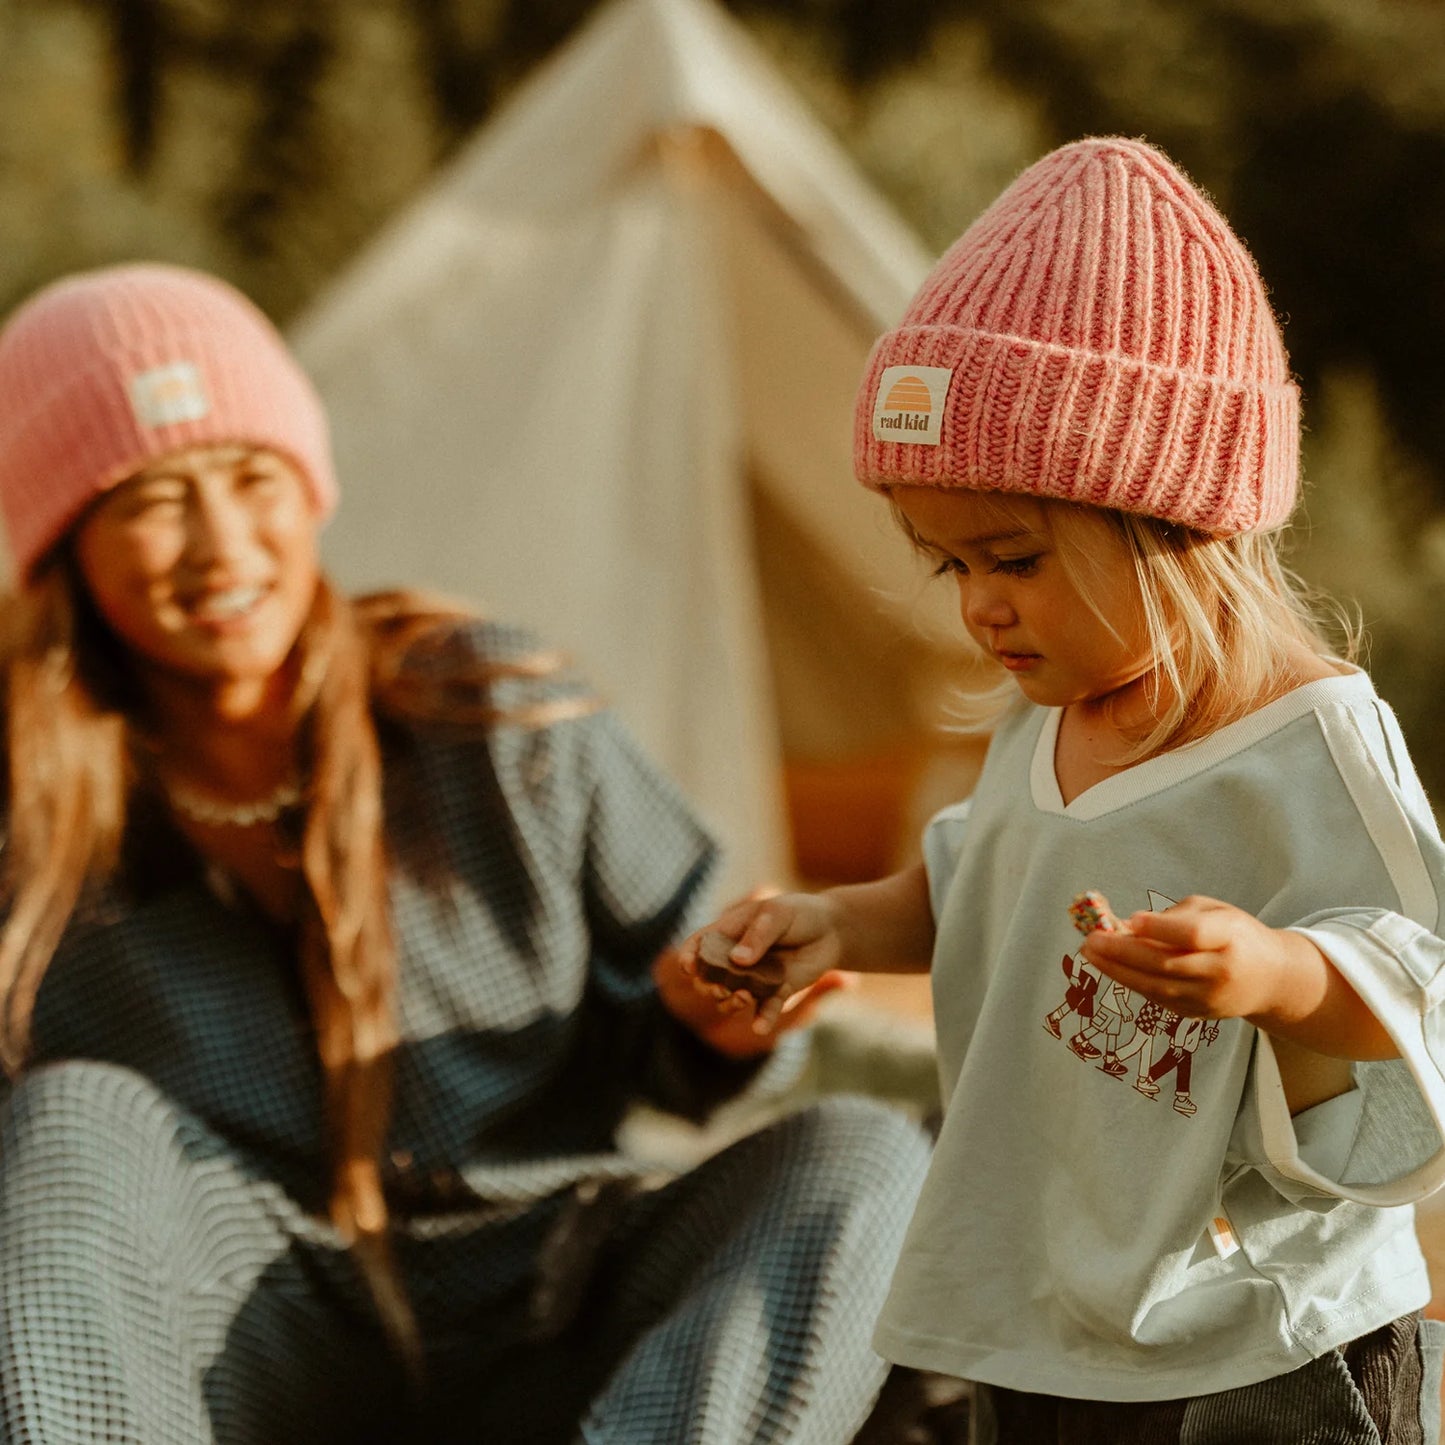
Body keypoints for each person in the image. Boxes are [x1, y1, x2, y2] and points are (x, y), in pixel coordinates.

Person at [0, 262, 932, 1445]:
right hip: (233, 1322)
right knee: (70, 1117)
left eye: (250, 479)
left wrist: (711, 1016)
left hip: (542, 1284)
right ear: (65, 538)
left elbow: (681, 1013)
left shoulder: (495, 716)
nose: (221, 543)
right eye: (151, 499)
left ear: (309, 486)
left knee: (861, 1155)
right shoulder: (23, 813)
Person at [682, 136, 1445, 1443]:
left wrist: (1277, 974)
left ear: (1178, 521)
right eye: (945, 565)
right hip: (1039, 1308)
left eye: (1013, 557)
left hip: (1252, 1329)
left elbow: (1420, 979)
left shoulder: (1306, 737)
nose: (978, 605)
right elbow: (978, 886)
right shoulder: (1045, 721)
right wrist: (839, 924)